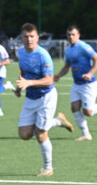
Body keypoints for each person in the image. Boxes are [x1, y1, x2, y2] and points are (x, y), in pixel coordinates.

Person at [15, 22, 74, 176]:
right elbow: (23, 72)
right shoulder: (21, 53)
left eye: (32, 36)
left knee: (41, 134)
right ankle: (58, 121)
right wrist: (19, 87)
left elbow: (49, 80)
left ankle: (48, 168)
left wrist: (29, 83)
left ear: (37, 38)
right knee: (24, 134)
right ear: (21, 38)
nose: (29, 39)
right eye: (26, 36)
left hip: (46, 97)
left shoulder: (43, 55)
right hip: (31, 97)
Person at [53, 25, 97, 141]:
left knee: (88, 112)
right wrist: (59, 75)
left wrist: (90, 73)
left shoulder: (83, 46)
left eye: (73, 34)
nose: (71, 37)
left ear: (78, 35)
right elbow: (67, 66)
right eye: (68, 35)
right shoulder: (68, 50)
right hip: (77, 84)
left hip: (88, 84)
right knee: (75, 108)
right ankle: (86, 134)